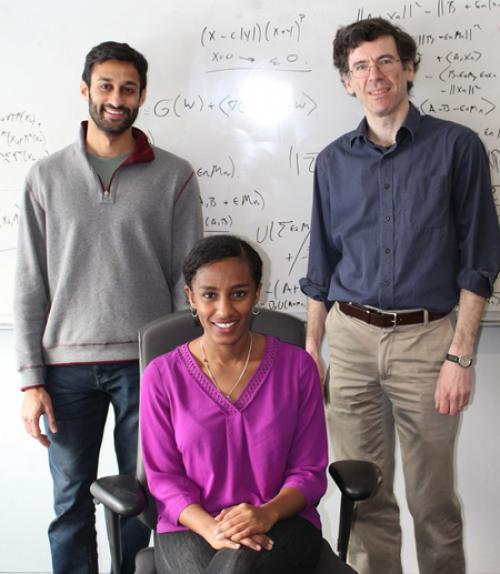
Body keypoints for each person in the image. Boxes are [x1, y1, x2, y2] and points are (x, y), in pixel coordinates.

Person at [300, 17, 500, 574]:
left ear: (408, 69)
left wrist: (460, 356)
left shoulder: (457, 148)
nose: (375, 75)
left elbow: (479, 262)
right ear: (347, 80)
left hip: (428, 341)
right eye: (360, 66)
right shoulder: (333, 162)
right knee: (363, 498)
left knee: (432, 502)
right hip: (351, 339)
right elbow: (321, 266)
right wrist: (313, 350)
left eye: (386, 61)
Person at [15, 41, 202, 574]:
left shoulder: (175, 176)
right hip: (63, 371)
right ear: (85, 90)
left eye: (128, 88)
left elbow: (187, 283)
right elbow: (30, 284)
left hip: (148, 368)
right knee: (69, 502)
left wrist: (182, 368)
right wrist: (31, 381)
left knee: (145, 497)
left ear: (142, 95)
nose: (116, 99)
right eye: (106, 86)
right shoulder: (44, 178)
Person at [140, 235, 328, 574]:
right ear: (191, 298)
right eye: (210, 295)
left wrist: (265, 513)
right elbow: (163, 477)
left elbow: (309, 473)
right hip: (191, 526)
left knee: (237, 568)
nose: (224, 310)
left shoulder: (298, 368)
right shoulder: (162, 375)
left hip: (283, 523)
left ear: (257, 293)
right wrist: (213, 528)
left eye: (238, 293)